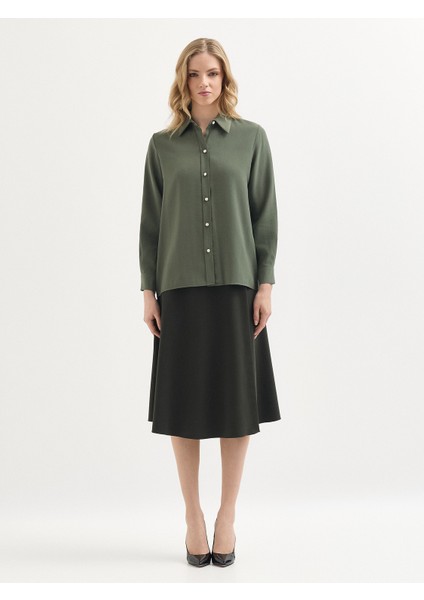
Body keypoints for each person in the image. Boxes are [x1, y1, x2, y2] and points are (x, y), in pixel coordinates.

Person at [139, 37, 281, 568]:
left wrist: (264, 285)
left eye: (213, 74)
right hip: (178, 287)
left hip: (237, 287)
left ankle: (227, 516)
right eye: (195, 74)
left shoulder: (251, 139)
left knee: (236, 407)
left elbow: (264, 214)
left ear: (225, 79)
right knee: (184, 406)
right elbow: (151, 223)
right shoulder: (161, 146)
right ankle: (193, 517)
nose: (204, 83)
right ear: (184, 80)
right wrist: (148, 291)